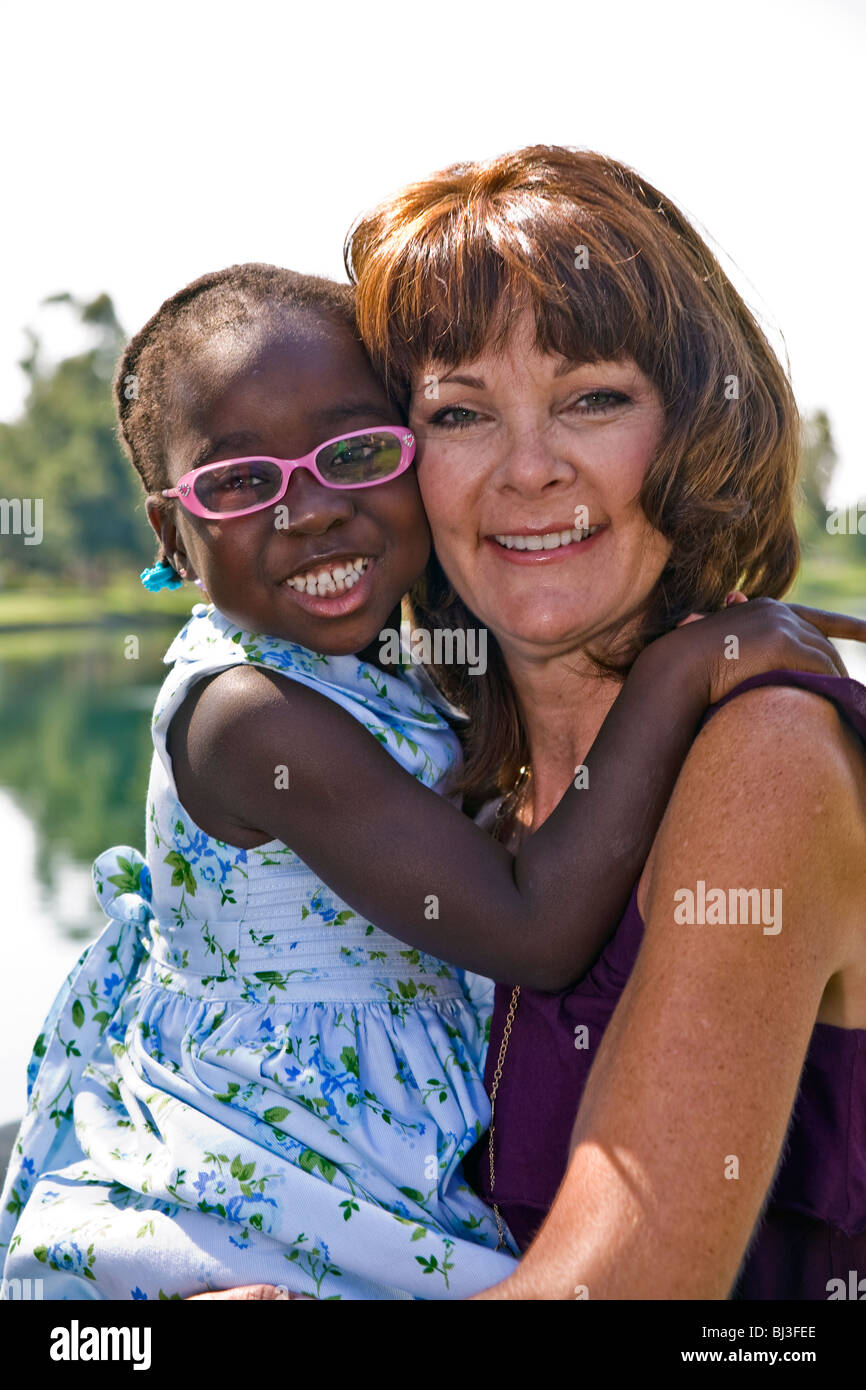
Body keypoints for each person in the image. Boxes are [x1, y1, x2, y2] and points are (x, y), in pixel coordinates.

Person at [0, 263, 857, 1301]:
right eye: (237, 483)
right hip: (269, 1207)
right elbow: (529, 926)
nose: (309, 510)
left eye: (355, 453)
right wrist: (686, 671)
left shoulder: (383, 672)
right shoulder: (243, 715)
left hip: (359, 1173)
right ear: (167, 533)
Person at [343, 145, 866, 1299]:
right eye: (459, 412)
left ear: (689, 429)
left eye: (592, 398)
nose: (528, 469)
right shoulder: (452, 788)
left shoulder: (764, 754)